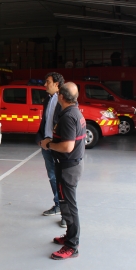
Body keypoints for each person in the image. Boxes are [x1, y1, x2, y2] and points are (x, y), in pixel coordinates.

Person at [41, 82, 86, 260]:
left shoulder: (68, 117)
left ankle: (72, 246)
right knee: (66, 204)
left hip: (68, 167)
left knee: (70, 206)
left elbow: (67, 146)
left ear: (61, 97)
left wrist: (48, 144)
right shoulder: (75, 112)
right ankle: (69, 236)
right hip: (69, 166)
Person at [36, 72, 67, 228]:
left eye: (47, 82)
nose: (44, 85)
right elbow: (45, 122)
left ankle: (65, 214)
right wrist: (40, 139)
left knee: (62, 179)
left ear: (57, 84)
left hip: (57, 146)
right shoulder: (47, 99)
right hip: (46, 145)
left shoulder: (64, 100)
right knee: (52, 177)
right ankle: (58, 205)